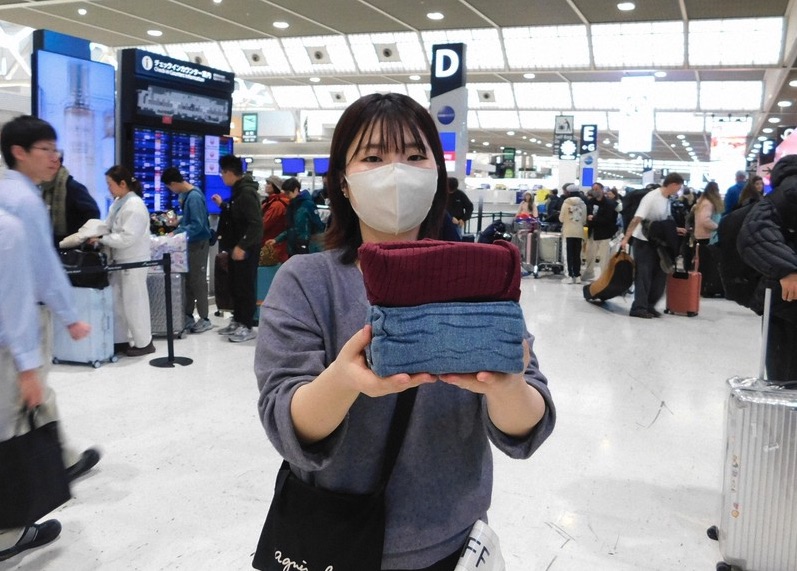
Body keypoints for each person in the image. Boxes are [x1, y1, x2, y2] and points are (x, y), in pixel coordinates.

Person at [254, 93, 555, 570]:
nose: (396, 172)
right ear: (344, 183)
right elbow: (286, 423)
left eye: (415, 157)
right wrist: (346, 379)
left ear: (436, 176)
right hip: (333, 540)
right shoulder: (308, 281)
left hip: (448, 547)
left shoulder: (481, 274)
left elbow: (527, 426)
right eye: (373, 157)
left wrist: (507, 385)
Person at [0, 116, 98, 560]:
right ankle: (8, 534)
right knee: (15, 416)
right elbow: (34, 273)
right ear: (19, 152)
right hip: (13, 330)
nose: (54, 156)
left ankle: (64, 456)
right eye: (45, 148)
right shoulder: (21, 205)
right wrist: (68, 314)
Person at [0, 208, 63, 562]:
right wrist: (28, 369)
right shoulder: (7, 227)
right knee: (7, 441)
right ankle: (9, 534)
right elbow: (14, 302)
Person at [738, 154, 797, 380]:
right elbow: (756, 231)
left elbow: (756, 230)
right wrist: (787, 268)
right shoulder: (791, 190)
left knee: (785, 375)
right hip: (789, 297)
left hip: (785, 300)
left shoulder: (786, 189)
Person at [95, 165, 154, 356]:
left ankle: (144, 342)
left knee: (134, 303)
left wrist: (103, 239)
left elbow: (127, 237)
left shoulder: (135, 205)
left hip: (133, 260)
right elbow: (110, 227)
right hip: (120, 260)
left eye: (110, 184)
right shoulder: (119, 203)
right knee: (118, 303)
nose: (108, 189)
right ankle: (120, 340)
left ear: (123, 183)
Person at [211, 155, 263, 343]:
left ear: (230, 172)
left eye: (222, 172)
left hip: (246, 249)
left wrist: (242, 246)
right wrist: (223, 206)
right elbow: (237, 215)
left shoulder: (246, 193)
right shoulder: (238, 192)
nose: (222, 176)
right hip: (237, 247)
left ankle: (247, 325)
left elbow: (256, 224)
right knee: (235, 285)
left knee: (245, 286)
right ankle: (238, 320)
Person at [620, 172, 686, 318]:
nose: (679, 190)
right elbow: (637, 218)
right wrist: (626, 239)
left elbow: (660, 222)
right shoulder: (651, 197)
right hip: (643, 241)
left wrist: (674, 230)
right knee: (644, 274)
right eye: (678, 187)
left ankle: (649, 305)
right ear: (673, 184)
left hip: (657, 241)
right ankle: (639, 307)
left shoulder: (667, 199)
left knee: (660, 274)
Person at [162, 167, 212, 334]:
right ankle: (188, 316)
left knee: (197, 282)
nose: (171, 190)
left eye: (170, 187)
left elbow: (198, 225)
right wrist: (179, 222)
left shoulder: (194, 197)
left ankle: (204, 318)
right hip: (189, 244)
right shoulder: (188, 195)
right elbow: (192, 218)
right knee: (188, 281)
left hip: (198, 244)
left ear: (174, 183)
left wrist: (176, 232)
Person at [40, 155, 100, 247]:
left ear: (57, 164)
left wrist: (81, 236)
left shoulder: (73, 187)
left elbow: (93, 213)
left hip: (72, 247)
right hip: (52, 244)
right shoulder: (45, 188)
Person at [269, 177, 324, 257]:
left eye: (288, 193)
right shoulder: (292, 205)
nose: (286, 196)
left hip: (306, 248)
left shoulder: (307, 205)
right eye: (285, 193)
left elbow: (313, 227)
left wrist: (306, 245)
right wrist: (276, 239)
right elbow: (291, 228)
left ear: (296, 190)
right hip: (295, 247)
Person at [582, 182, 618, 282]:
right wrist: (588, 218)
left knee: (604, 257)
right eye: (593, 189)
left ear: (602, 190)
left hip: (604, 234)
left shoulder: (609, 204)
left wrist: (593, 218)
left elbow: (608, 219)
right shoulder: (590, 202)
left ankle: (604, 276)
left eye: (597, 189)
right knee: (589, 255)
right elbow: (587, 214)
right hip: (592, 232)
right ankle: (589, 273)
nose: (595, 191)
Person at [559, 184, 587, 284]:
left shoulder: (565, 203)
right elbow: (584, 220)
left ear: (568, 192)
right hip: (579, 232)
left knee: (568, 254)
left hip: (568, 232)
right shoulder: (583, 204)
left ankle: (569, 276)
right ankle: (578, 275)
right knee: (577, 254)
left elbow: (561, 218)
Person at [261, 175, 289, 263]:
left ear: (275, 186)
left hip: (273, 247)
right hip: (274, 245)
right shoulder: (271, 202)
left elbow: (264, 224)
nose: (266, 185)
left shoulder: (277, 205)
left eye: (269, 183)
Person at [693, 181, 724, 247]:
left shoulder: (703, 201)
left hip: (702, 236)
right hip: (707, 236)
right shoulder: (708, 203)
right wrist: (718, 227)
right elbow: (705, 220)